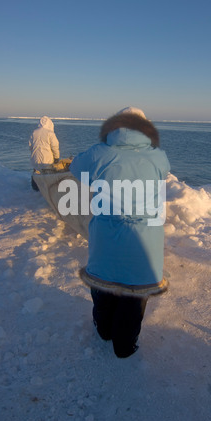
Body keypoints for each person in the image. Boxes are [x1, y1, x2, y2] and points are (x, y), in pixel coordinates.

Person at [70, 107, 170, 358]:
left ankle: (103, 330)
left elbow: (75, 168)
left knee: (104, 282)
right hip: (144, 237)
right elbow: (163, 175)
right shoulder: (157, 156)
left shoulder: (98, 153)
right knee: (134, 291)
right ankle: (125, 345)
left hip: (106, 233)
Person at [29, 116, 60, 191]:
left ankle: (35, 188)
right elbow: (55, 146)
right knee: (47, 174)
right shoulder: (50, 133)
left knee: (36, 172)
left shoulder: (34, 132)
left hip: (35, 158)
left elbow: (30, 146)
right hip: (47, 159)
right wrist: (56, 157)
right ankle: (48, 191)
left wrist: (34, 154)